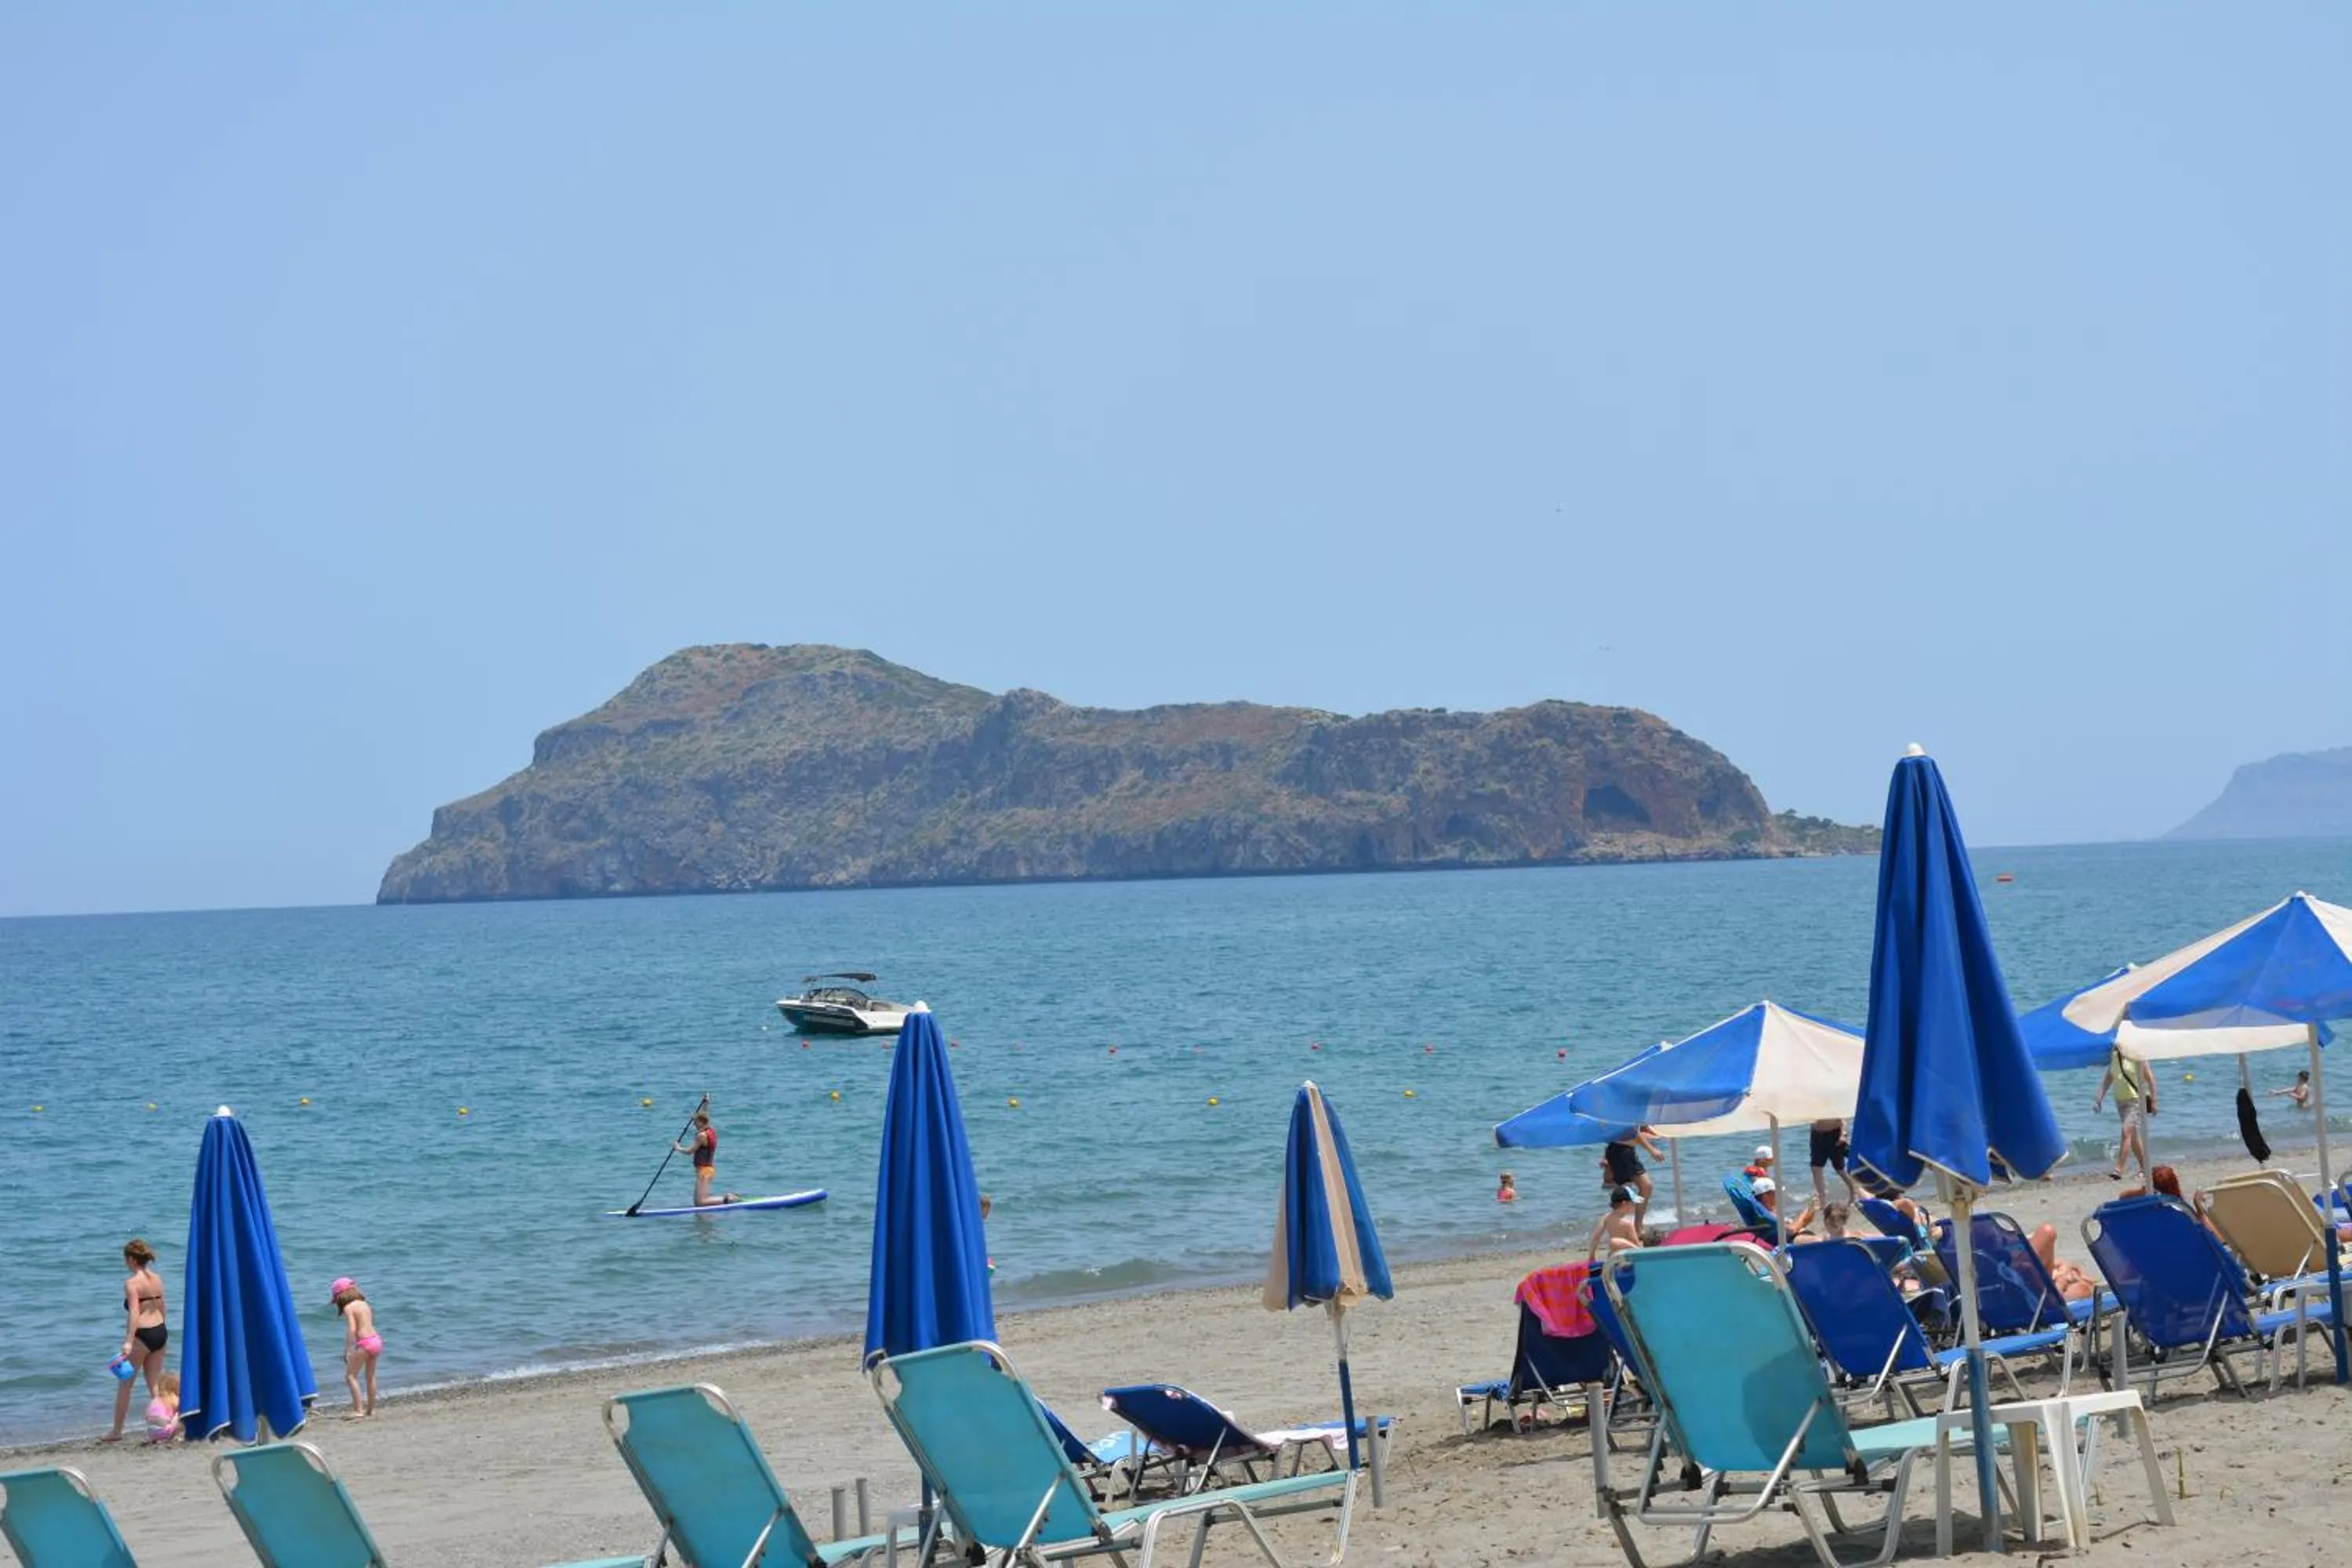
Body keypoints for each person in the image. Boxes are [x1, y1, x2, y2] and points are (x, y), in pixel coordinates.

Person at [105, 1239, 168, 1443]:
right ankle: (166, 1425)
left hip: (142, 1335)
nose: (125, 1262)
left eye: (126, 1259)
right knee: (154, 1384)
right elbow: (162, 1306)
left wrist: (128, 1342)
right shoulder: (157, 1279)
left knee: (125, 1384)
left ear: (132, 1260)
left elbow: (134, 1312)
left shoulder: (132, 1283)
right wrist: (162, 1330)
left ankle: (116, 1431)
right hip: (160, 1331)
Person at [2092, 1046, 2156, 1183]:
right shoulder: (2114, 1057)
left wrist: (2155, 1101)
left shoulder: (2138, 1056)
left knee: (2126, 1132)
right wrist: (2099, 1098)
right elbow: (2108, 1080)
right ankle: (2145, 1168)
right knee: (2133, 1137)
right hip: (2120, 1102)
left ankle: (2119, 1169)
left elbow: (2150, 1079)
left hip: (2136, 1101)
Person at [330, 1277, 383, 1418]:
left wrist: (348, 1350)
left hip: (364, 1343)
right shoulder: (364, 1303)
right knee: (370, 1376)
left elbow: (352, 1330)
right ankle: (371, 1409)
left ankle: (358, 1410)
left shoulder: (349, 1307)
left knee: (350, 1376)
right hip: (376, 1340)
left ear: (340, 1295)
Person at [674, 1107, 739, 1207]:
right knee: (700, 1201)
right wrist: (706, 1102)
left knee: (700, 1203)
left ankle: (727, 1199)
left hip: (704, 1171)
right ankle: (728, 1198)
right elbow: (705, 1113)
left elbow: (690, 1151)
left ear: (701, 1121)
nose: (694, 1124)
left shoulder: (701, 1136)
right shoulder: (711, 1131)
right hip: (708, 1170)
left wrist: (678, 1148)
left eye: (695, 1122)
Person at [1602, 1127, 1665, 1222]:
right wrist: (1652, 1150)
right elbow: (1631, 1130)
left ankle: (1633, 1227)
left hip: (1625, 1151)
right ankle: (1625, 1227)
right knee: (1631, 1192)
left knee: (1641, 1188)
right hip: (1620, 1151)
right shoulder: (1628, 1113)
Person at [1809, 1117, 1860, 1208]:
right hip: (1816, 1135)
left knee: (1840, 1169)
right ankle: (1823, 1202)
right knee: (1815, 1168)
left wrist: (1843, 1134)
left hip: (1834, 1135)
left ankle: (1854, 1192)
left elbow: (1842, 1116)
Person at [1586, 1185, 1644, 1259]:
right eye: (1632, 1203)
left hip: (1613, 1255)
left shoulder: (1606, 1218)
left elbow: (1596, 1238)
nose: (1634, 1205)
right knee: (1616, 1242)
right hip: (1626, 1255)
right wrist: (1639, 1247)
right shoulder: (1627, 1223)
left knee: (1613, 1242)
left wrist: (1592, 1255)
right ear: (1624, 1203)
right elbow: (1635, 1243)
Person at [1750, 1176, 1816, 1240]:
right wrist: (1806, 1211)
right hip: (1785, 1241)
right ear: (1766, 1196)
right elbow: (1791, 1231)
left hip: (1787, 1236)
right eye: (1776, 1193)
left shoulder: (1767, 1210)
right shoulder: (1768, 1215)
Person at [143, 1371, 182, 1443]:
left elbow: (146, 1417)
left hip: (150, 1432)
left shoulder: (155, 1400)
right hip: (164, 1431)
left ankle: (159, 1438)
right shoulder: (171, 1396)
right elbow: (179, 1406)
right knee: (180, 1416)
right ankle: (174, 1436)